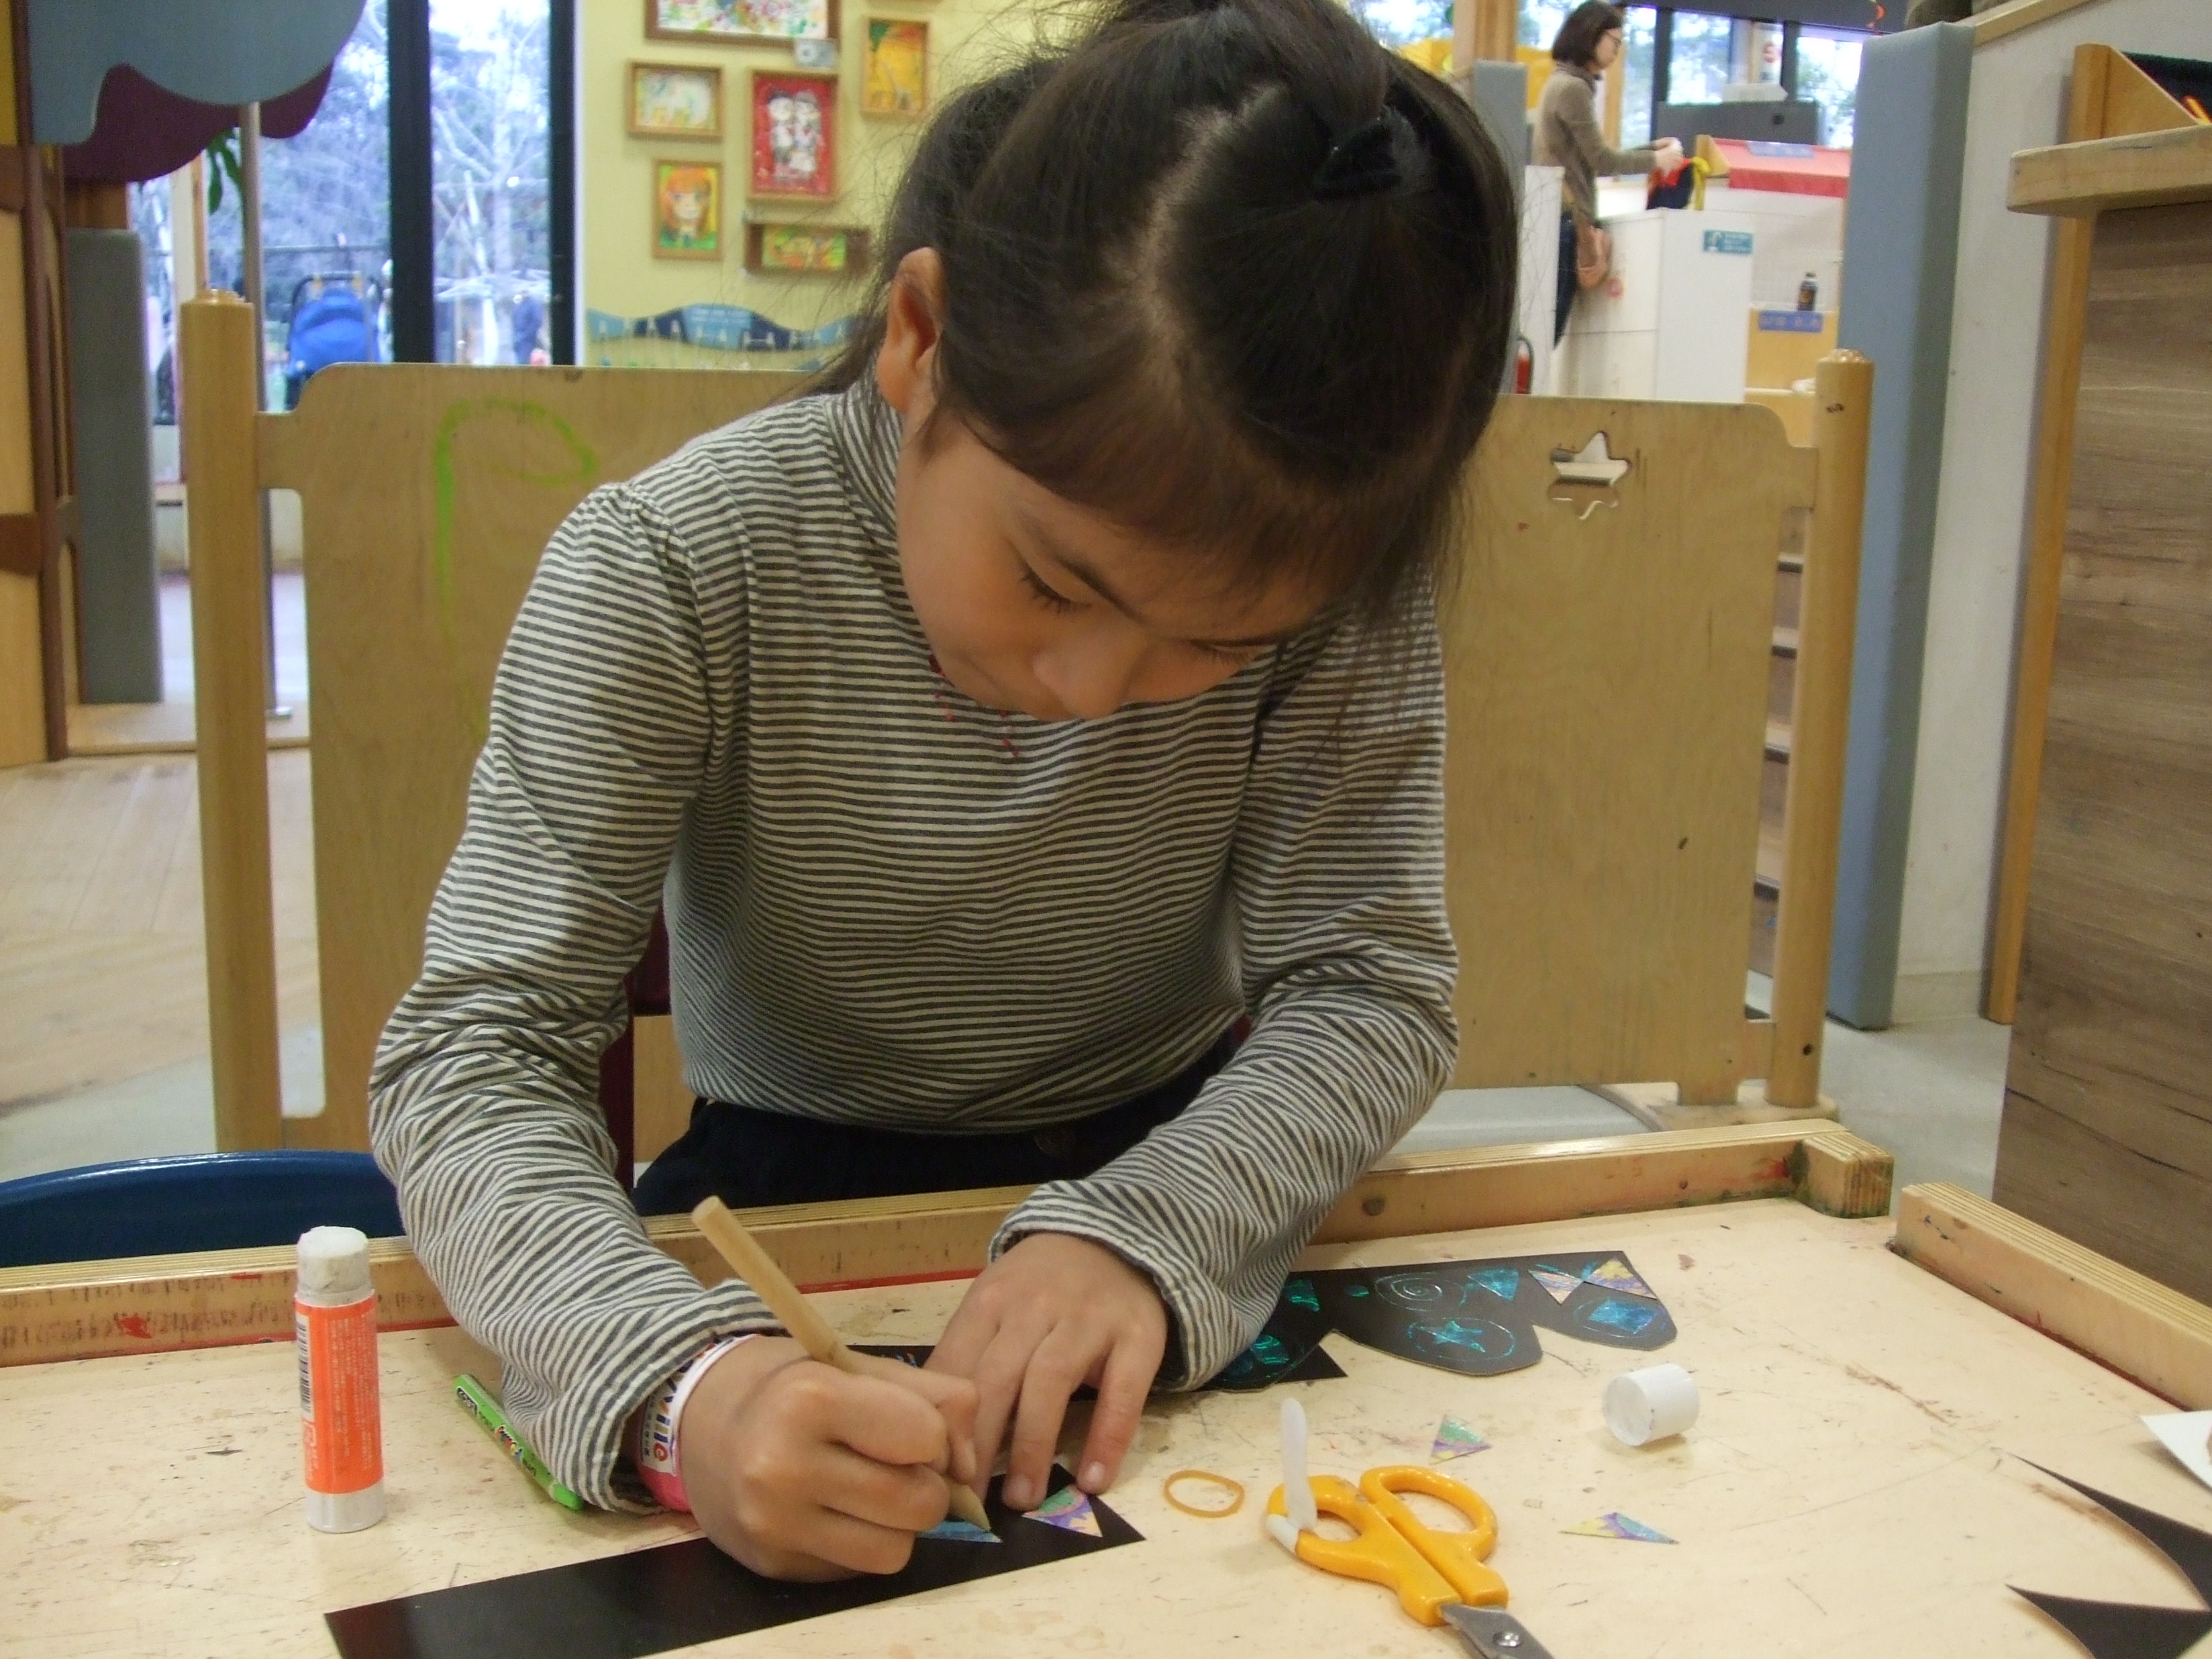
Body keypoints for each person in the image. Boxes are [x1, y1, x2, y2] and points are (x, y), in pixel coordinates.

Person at [370, 0, 1515, 1587]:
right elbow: (472, 1053)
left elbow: (1371, 988)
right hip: (776, 1195)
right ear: (920, 337)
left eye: (1215, 646)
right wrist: (679, 1383)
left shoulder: (1334, 586)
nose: (1092, 691)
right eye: (1053, 582)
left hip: (1179, 1164)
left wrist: (1148, 1227)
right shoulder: (670, 568)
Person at [1534, 1, 1681, 344]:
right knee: (1547, 333)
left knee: (1543, 331)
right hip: (1567, 220)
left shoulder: (1562, 82)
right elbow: (1602, 161)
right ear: (1592, 36)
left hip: (1555, 217)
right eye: (1614, 41)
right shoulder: (1573, 89)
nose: (1617, 50)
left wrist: (1650, 150)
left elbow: (1590, 157)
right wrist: (1656, 161)